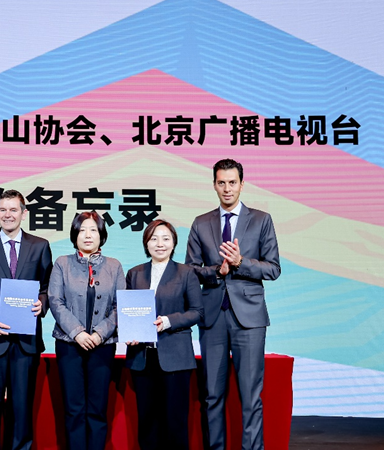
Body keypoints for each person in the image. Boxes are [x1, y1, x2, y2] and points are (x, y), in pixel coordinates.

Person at [185, 159, 281, 450]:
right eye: (221, 183)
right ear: (214, 185)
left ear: (242, 184)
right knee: (212, 395)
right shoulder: (201, 223)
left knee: (250, 396)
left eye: (232, 182)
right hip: (213, 317)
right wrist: (218, 271)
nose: (227, 188)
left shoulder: (261, 219)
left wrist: (240, 263)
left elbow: (273, 269)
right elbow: (191, 271)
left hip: (249, 319)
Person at [0, 189, 53, 450]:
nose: (8, 215)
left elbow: (48, 287)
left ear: (23, 213)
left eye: (13, 209)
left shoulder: (40, 246)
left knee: (22, 408)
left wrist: (42, 303)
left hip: (26, 342)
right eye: (3, 209)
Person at [48, 211, 125, 450]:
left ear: (101, 235)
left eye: (93, 230)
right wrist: (78, 333)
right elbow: (55, 301)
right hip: (69, 345)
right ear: (75, 235)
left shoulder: (114, 266)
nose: (88, 235)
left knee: (97, 409)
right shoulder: (62, 263)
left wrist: (100, 333)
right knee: (74, 409)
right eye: (82, 230)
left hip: (103, 346)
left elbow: (120, 306)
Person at [125, 219, 204, 450]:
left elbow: (197, 312)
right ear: (146, 243)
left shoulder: (186, 273)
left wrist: (168, 321)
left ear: (173, 243)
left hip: (175, 357)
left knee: (175, 422)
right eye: (154, 239)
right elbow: (127, 310)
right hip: (142, 358)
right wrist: (129, 330)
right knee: (147, 422)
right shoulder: (135, 273)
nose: (160, 244)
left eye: (165, 239)